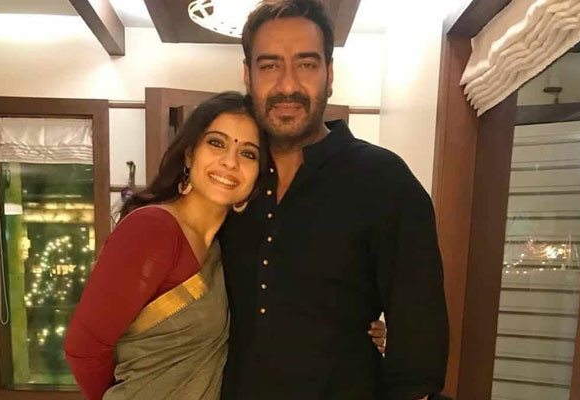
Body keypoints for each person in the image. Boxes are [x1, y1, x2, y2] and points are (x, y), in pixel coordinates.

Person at [218, 1, 449, 399]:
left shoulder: (383, 180)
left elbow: (419, 340)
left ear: (329, 74)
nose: (287, 85)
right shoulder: (230, 180)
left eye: (306, 64)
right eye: (270, 65)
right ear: (247, 75)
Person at [64, 92, 265, 400]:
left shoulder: (226, 246)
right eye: (216, 143)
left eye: (248, 153)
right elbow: (84, 348)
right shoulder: (153, 230)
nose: (230, 161)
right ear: (189, 154)